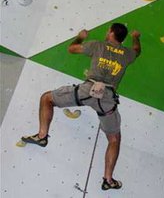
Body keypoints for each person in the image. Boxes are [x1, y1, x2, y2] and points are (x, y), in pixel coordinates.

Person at [20, 23, 141, 190]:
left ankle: (42, 136)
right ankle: (108, 180)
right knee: (114, 139)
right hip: (108, 99)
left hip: (87, 90)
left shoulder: (98, 45)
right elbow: (137, 51)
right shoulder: (127, 54)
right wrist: (136, 37)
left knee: (47, 98)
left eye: (108, 31)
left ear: (111, 33)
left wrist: (81, 37)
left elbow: (72, 49)